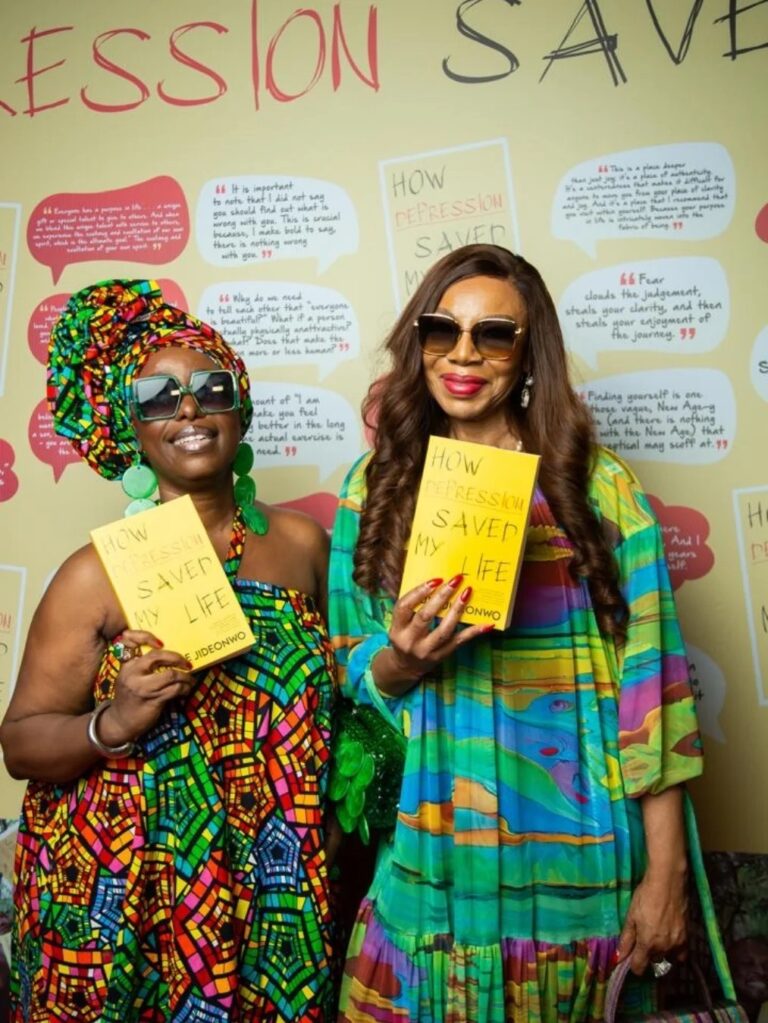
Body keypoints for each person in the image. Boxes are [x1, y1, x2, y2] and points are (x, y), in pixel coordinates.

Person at [328, 244, 706, 1022]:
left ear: (529, 354)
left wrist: (665, 872)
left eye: (493, 334)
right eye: (443, 330)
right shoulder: (374, 489)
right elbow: (349, 667)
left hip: (580, 862)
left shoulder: (596, 485)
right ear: (419, 343)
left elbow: (655, 687)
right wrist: (399, 659)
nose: (463, 354)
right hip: (434, 852)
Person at [0, 280, 337, 1022]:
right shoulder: (94, 574)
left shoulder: (304, 546)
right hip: (129, 888)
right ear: (132, 428)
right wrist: (114, 721)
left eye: (210, 389)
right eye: (157, 397)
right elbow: (20, 743)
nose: (187, 409)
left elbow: (342, 710)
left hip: (272, 880)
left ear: (239, 410)